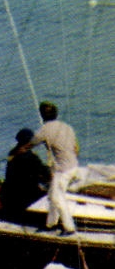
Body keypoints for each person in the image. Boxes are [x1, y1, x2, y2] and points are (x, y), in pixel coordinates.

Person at [36, 101, 82, 235]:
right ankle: (50, 224)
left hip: (62, 170)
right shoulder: (67, 127)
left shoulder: (45, 129)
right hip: (70, 166)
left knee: (57, 197)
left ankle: (69, 228)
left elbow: (32, 142)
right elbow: (76, 148)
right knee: (52, 194)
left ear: (42, 115)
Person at [1, 128, 50, 224]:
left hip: (10, 194)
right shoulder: (30, 157)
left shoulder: (13, 153)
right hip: (24, 196)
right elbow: (43, 171)